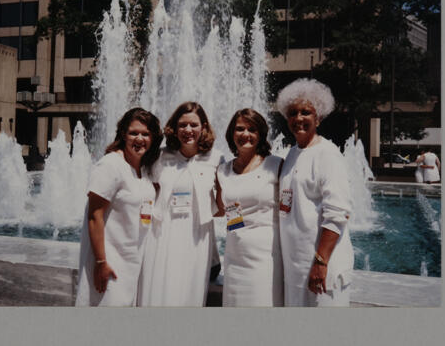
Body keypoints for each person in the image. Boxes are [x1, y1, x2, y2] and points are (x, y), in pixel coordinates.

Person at [276, 78, 353, 307]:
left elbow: (337, 212)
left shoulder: (327, 154)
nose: (298, 118)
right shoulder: (291, 154)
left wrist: (321, 261)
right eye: (292, 113)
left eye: (305, 112)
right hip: (295, 268)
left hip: (322, 268)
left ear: (318, 117)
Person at [75, 108, 163, 306]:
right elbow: (94, 216)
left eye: (146, 134)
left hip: (132, 259)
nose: (139, 139)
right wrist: (100, 263)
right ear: (123, 134)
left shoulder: (144, 170)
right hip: (109, 261)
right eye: (133, 133)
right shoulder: (110, 165)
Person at [138, 102, 223, 306]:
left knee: (190, 294)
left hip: (197, 237)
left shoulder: (216, 159)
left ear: (203, 127)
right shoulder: (159, 157)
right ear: (174, 128)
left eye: (193, 125)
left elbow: (223, 202)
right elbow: (143, 193)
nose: (188, 130)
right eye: (182, 125)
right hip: (162, 234)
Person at [215, 108, 284, 307]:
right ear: (231, 134)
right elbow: (224, 210)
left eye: (252, 129)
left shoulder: (276, 165)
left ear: (260, 134)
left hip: (266, 256)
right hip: (235, 254)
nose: (245, 134)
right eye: (240, 129)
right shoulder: (222, 171)